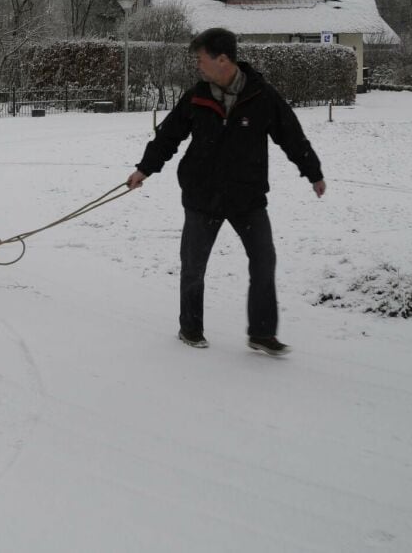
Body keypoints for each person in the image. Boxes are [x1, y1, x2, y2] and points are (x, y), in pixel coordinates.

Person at [126, 28, 326, 356]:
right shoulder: (197, 96)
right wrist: (144, 169)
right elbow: (168, 136)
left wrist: (313, 172)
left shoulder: (261, 96)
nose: (197, 65)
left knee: (264, 259)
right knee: (194, 266)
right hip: (203, 196)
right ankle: (190, 327)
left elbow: (291, 135)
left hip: (247, 197)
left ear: (223, 59)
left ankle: (262, 333)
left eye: (200, 59)